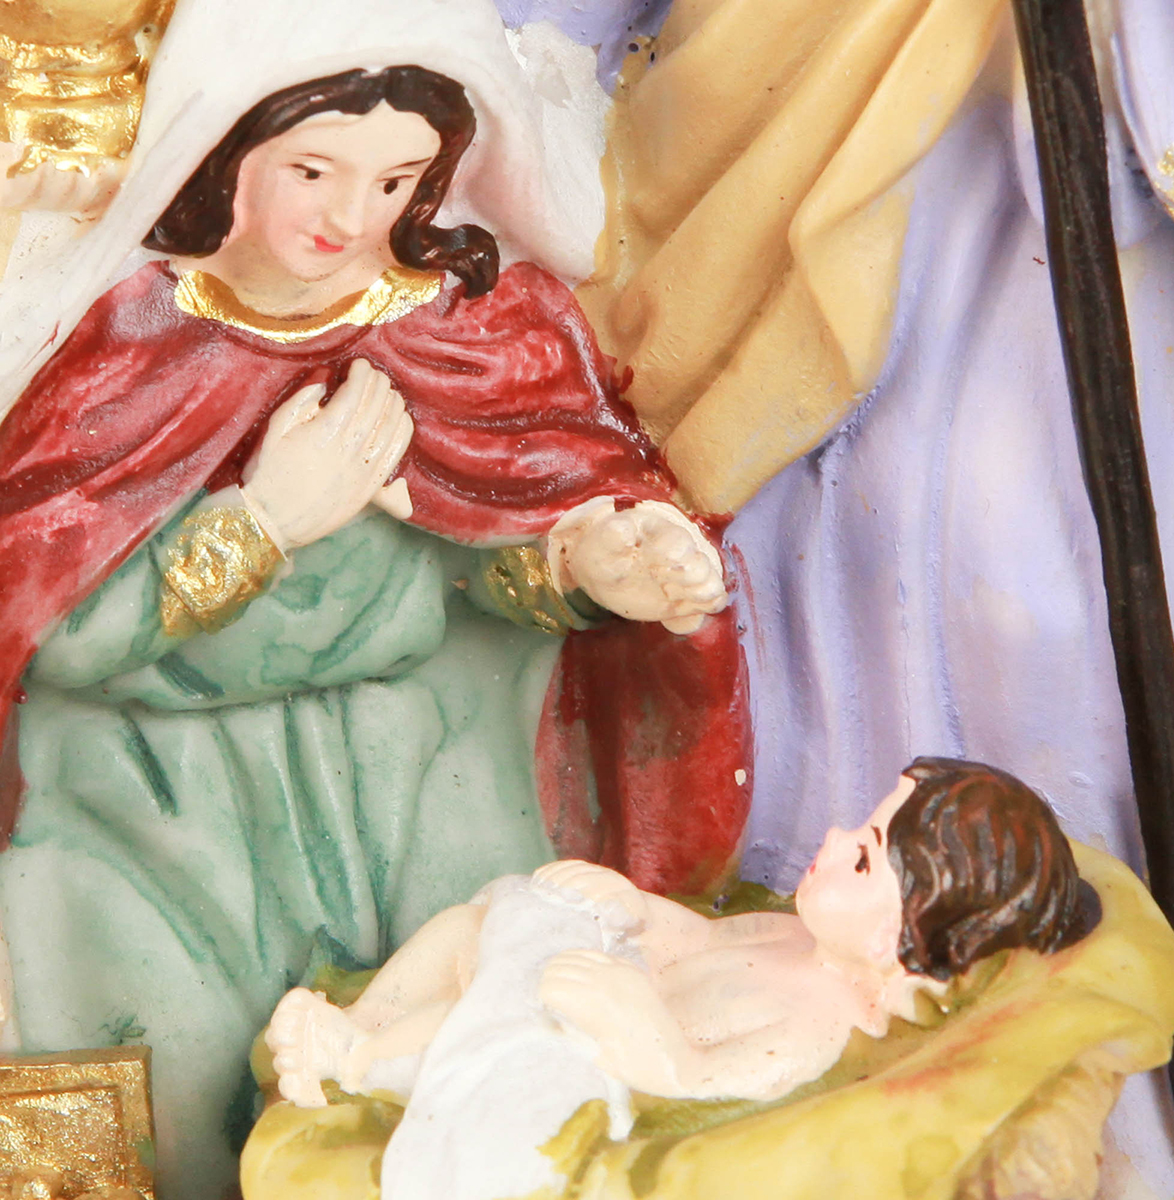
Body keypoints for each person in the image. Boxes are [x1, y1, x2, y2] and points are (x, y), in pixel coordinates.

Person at [0, 3, 749, 1196]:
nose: (351, 217)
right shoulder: (128, 341)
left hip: (410, 784)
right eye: (313, 170)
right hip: (155, 804)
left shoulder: (477, 333)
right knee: (155, 1096)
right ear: (227, 149)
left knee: (456, 1066)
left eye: (396, 180)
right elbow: (44, 623)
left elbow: (490, 564)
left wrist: (582, 571)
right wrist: (260, 524)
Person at [266, 756, 1096, 1112]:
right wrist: (633, 905)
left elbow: (701, 1086)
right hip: (597, 982)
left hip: (584, 1058)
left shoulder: (816, 1029)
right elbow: (699, 943)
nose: (836, 837)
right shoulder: (790, 937)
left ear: (896, 938)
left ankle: (353, 1063)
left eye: (863, 857)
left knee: (500, 1026)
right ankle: (363, 1020)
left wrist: (644, 1034)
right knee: (473, 928)